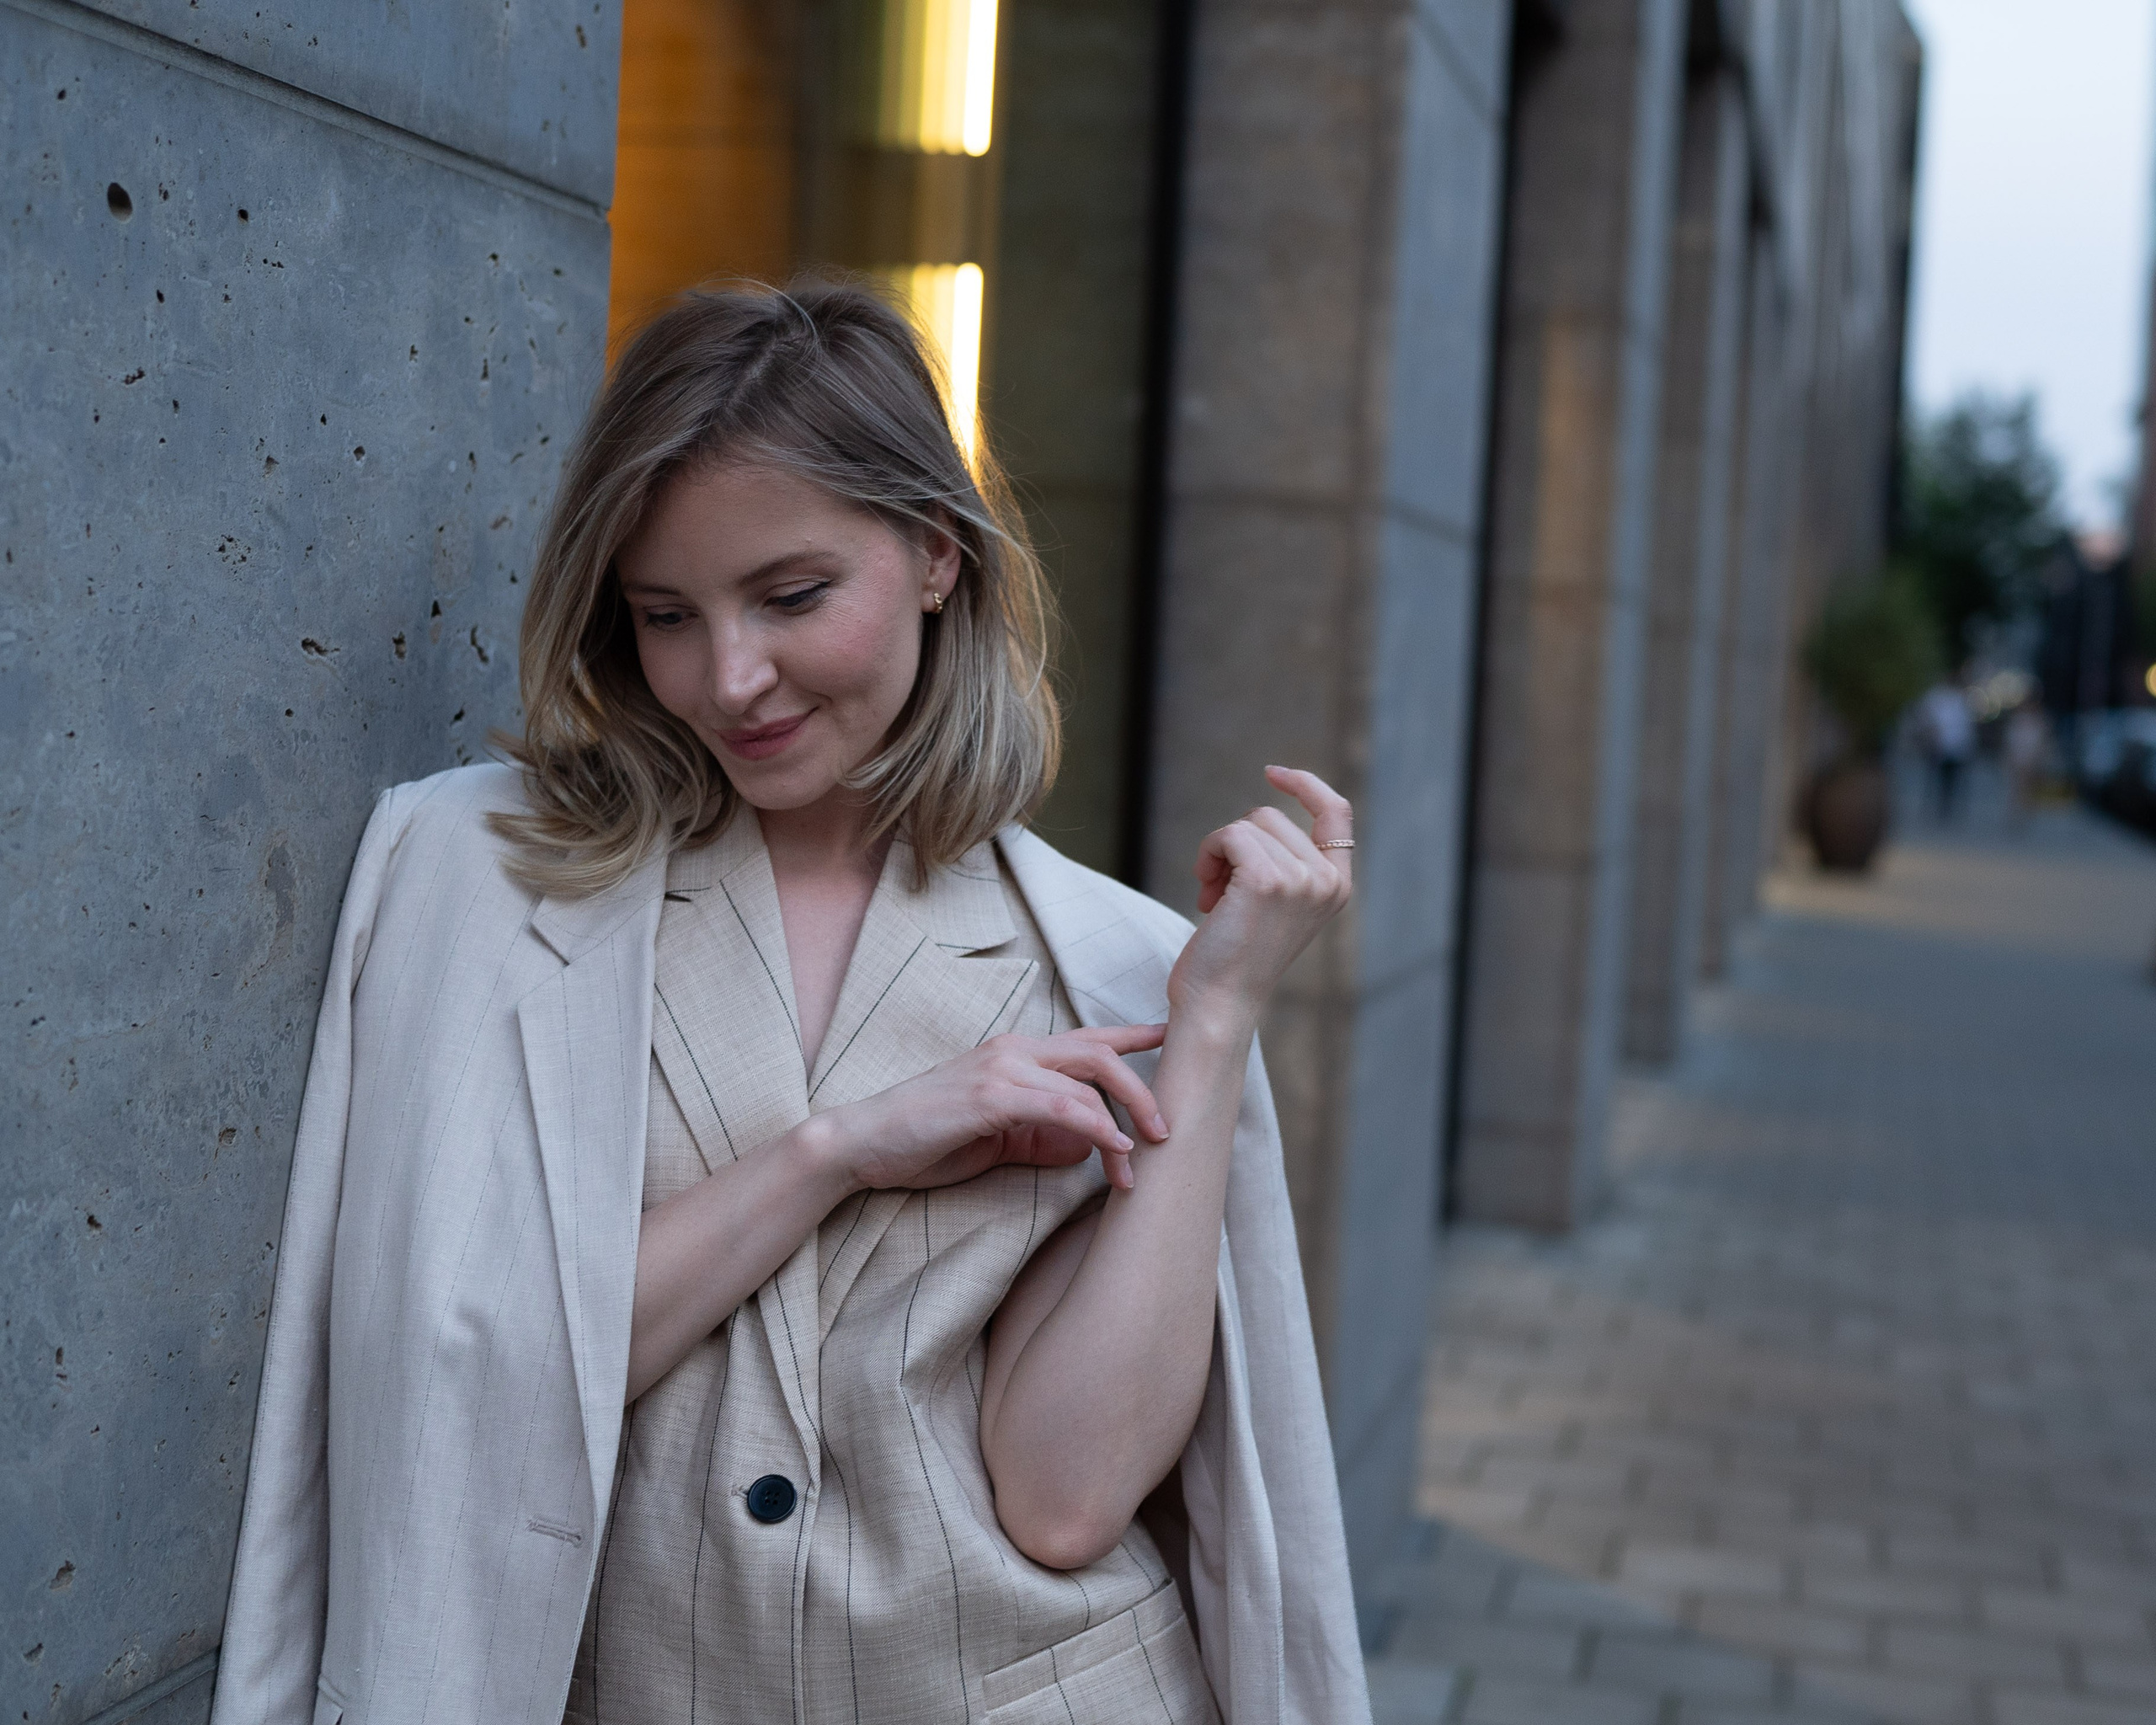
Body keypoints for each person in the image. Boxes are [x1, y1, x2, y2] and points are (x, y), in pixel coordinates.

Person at [211, 282, 1370, 1725]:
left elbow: (1066, 1496)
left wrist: (1215, 1021)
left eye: (792, 596)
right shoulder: (478, 883)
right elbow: (466, 1375)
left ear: (937, 553)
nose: (730, 679)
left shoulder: (1118, 968)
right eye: (666, 616)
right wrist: (838, 1151)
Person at [1917, 675, 1976, 822]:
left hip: (1956, 747)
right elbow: (1928, 718)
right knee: (1936, 777)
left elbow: (1966, 725)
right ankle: (1936, 805)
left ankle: (1947, 806)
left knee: (1952, 779)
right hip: (1939, 745)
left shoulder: (1961, 698)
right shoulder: (1937, 696)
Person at [2003, 697, 2049, 831]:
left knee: (2029, 788)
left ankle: (2025, 813)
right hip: (2018, 759)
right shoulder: (2017, 720)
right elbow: (2009, 741)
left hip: (2031, 759)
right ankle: (2015, 814)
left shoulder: (2039, 721)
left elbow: (2042, 743)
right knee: (2017, 788)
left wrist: (2039, 758)